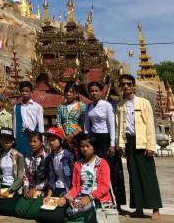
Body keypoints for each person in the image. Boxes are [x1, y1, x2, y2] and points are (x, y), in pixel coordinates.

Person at [117, 74, 162, 220]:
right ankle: (139, 209)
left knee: (148, 176)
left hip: (143, 142)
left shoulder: (143, 103)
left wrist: (151, 146)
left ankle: (155, 208)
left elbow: (150, 125)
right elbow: (119, 127)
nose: (126, 87)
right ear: (120, 86)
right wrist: (121, 144)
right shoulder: (120, 105)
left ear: (133, 86)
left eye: (129, 84)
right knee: (134, 177)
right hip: (129, 142)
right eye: (123, 84)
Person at [85, 80, 126, 210]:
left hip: (106, 139)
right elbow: (87, 126)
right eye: (91, 91)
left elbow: (111, 125)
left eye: (96, 90)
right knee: (97, 171)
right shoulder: (89, 106)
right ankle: (99, 199)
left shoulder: (107, 105)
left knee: (112, 171)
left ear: (101, 92)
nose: (94, 93)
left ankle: (118, 203)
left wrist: (113, 144)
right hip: (94, 140)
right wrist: (87, 141)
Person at [61, 134, 113, 223]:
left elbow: (105, 187)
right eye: (82, 146)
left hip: (98, 200)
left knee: (77, 214)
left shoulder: (102, 163)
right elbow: (76, 187)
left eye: (88, 146)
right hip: (82, 198)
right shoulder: (77, 165)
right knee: (69, 211)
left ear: (94, 147)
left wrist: (89, 197)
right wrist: (68, 197)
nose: (85, 149)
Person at [0, 127, 25, 215]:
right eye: (2, 139)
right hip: (2, 186)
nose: (5, 141)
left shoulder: (19, 156)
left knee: (6, 209)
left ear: (12, 141)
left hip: (14, 188)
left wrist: (9, 191)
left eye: (8, 139)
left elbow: (20, 178)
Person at [38, 126, 75, 223]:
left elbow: (75, 181)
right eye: (49, 140)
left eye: (53, 139)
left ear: (61, 140)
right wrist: (49, 195)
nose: (50, 142)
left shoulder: (69, 156)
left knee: (55, 218)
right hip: (56, 189)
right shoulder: (50, 157)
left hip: (68, 190)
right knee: (43, 215)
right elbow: (51, 178)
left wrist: (65, 197)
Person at [14, 131, 48, 219]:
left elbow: (49, 179)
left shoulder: (47, 158)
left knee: (32, 214)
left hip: (43, 191)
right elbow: (25, 176)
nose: (32, 144)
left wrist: (36, 188)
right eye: (30, 142)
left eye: (35, 141)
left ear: (41, 142)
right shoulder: (27, 157)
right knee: (18, 210)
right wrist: (25, 188)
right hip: (29, 190)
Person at [13, 81, 44, 156]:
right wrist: (14, 138)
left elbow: (40, 125)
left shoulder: (37, 107)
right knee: (20, 158)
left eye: (27, 91)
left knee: (33, 158)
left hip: (33, 137)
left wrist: (42, 140)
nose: (24, 93)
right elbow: (15, 124)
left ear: (31, 92)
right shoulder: (16, 107)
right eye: (22, 91)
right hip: (21, 137)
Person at [56, 82, 86, 154]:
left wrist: (72, 135)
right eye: (66, 91)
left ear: (76, 94)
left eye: (71, 92)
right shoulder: (61, 106)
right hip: (63, 138)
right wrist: (64, 136)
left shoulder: (82, 106)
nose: (68, 94)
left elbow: (83, 124)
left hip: (77, 138)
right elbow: (58, 122)